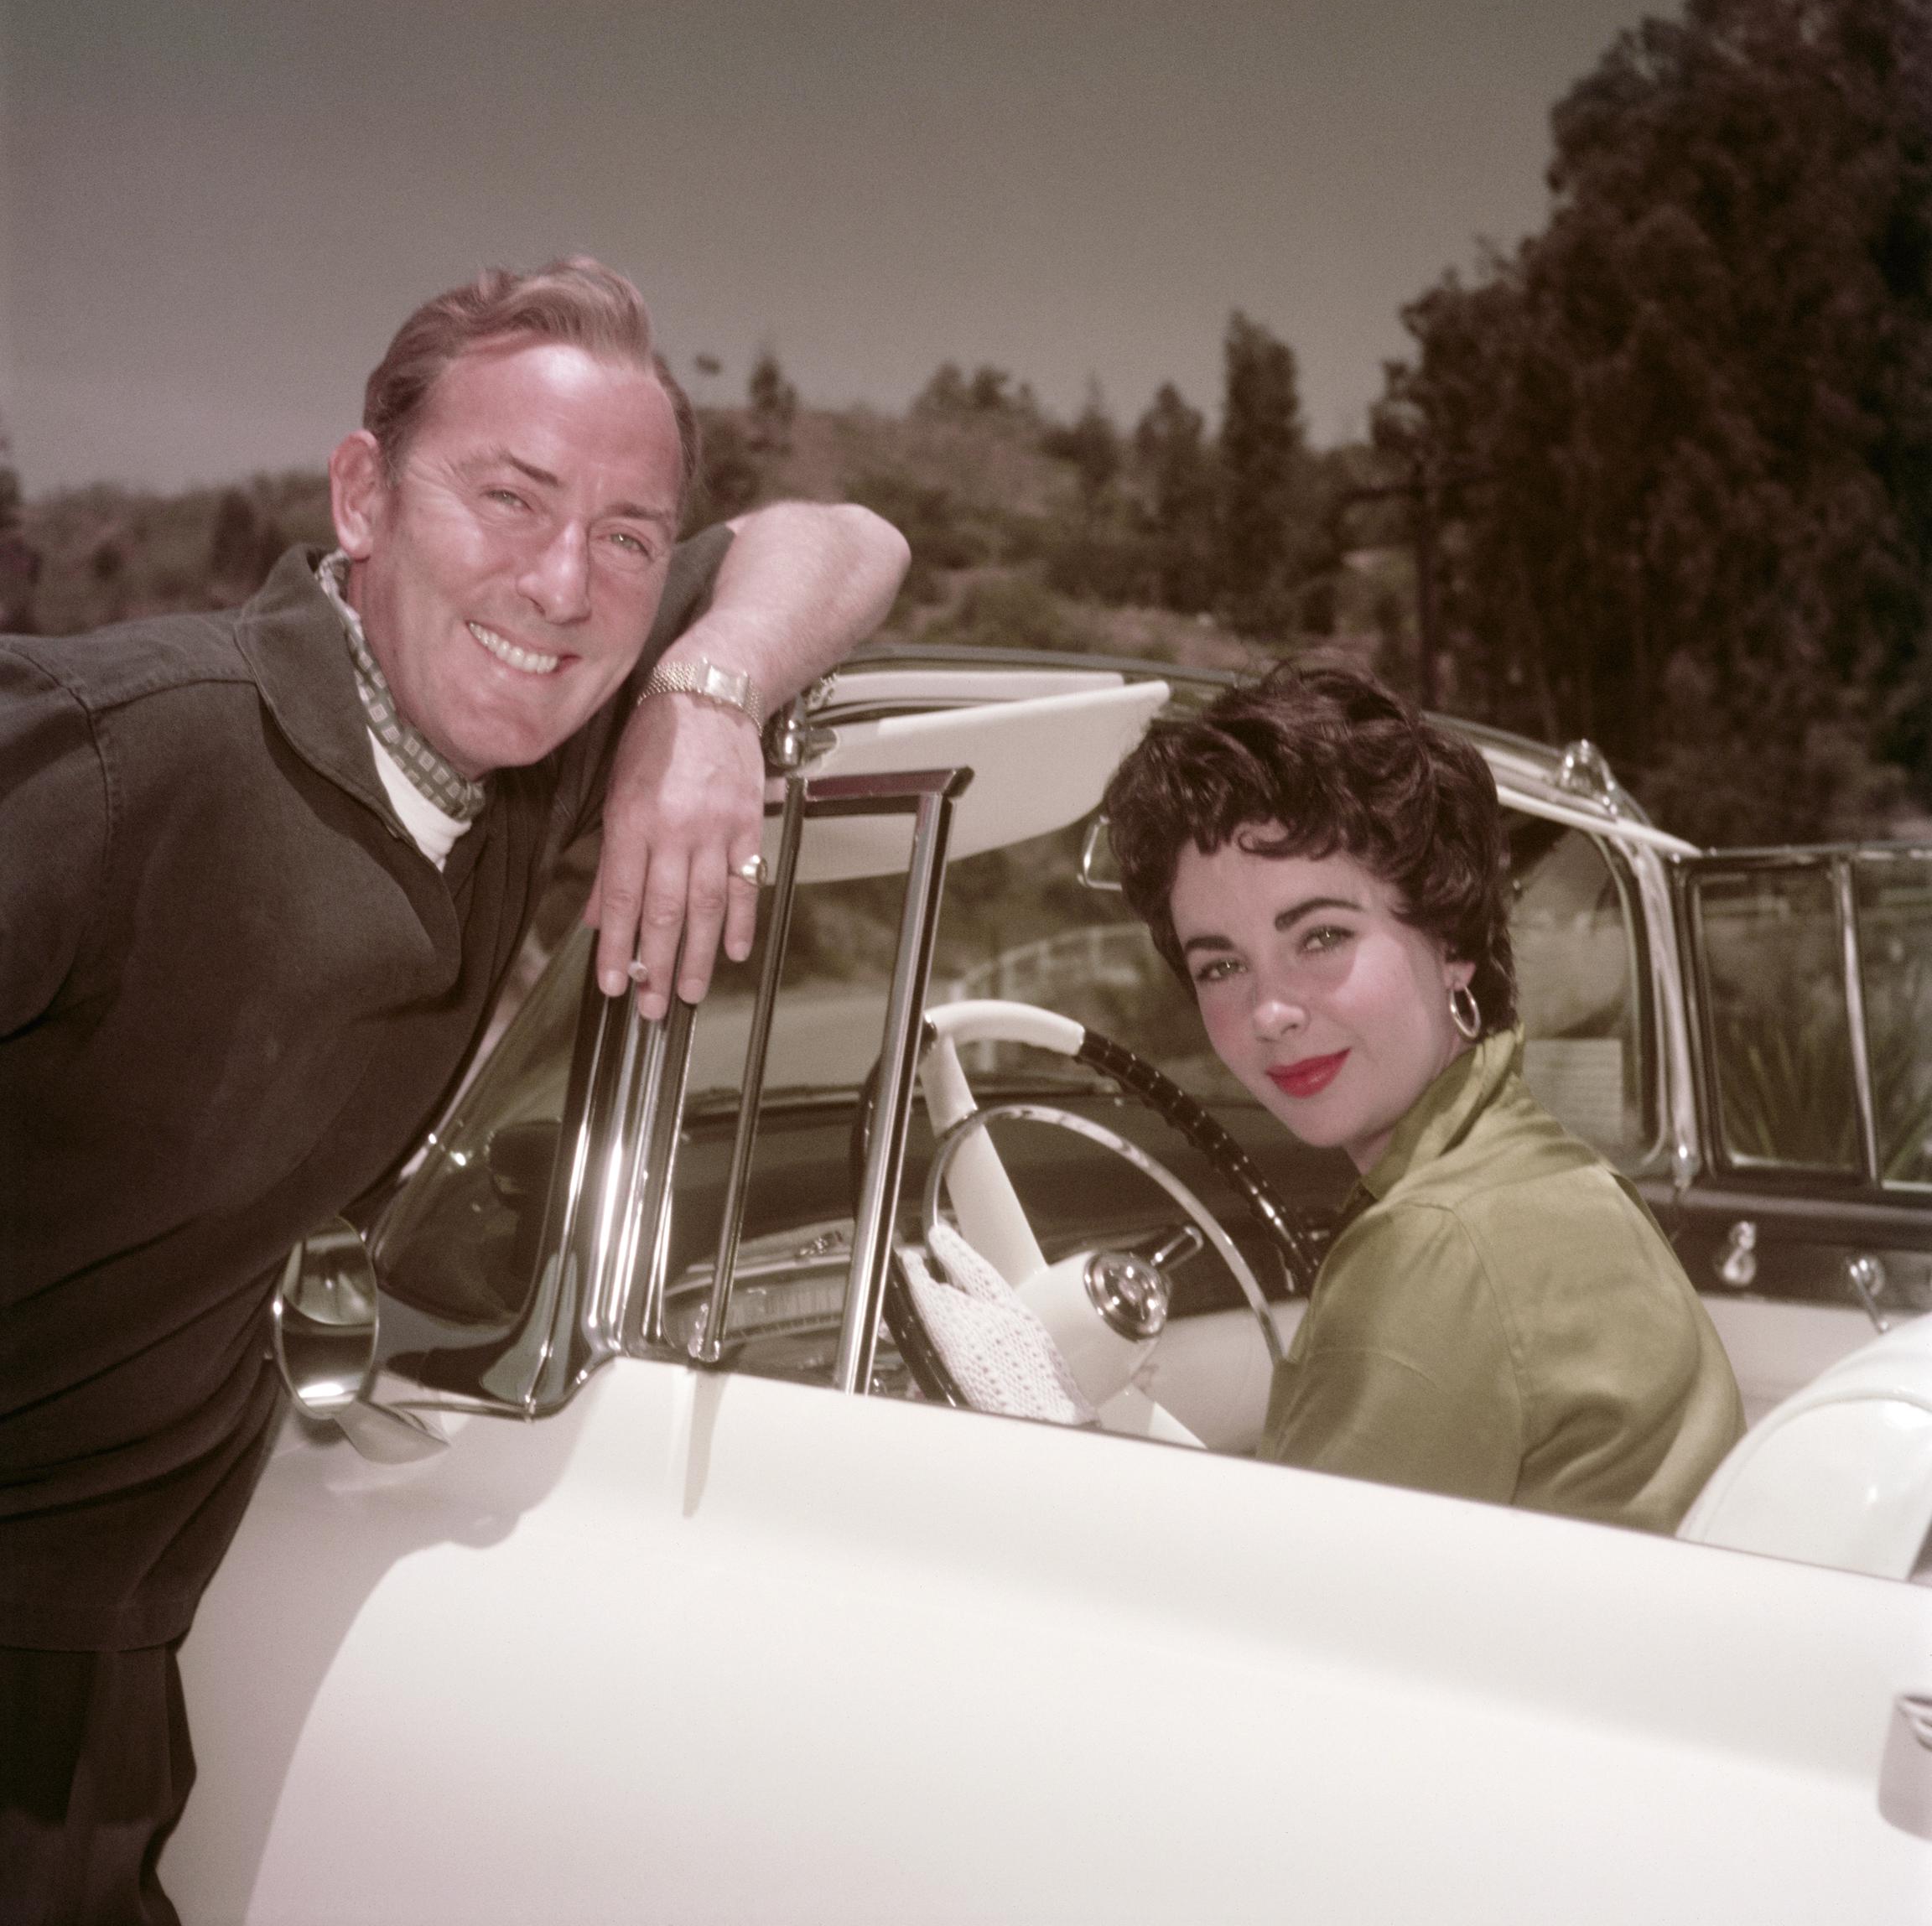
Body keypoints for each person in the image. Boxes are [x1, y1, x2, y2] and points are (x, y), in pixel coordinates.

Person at [0, 257, 907, 1923]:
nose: (566, 583)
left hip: (96, 1683)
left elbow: (845, 542)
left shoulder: (514, 759)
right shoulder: (124, 753)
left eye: (630, 537)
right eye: (509, 498)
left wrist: (708, 700)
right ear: (365, 497)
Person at [1102, 662, 1744, 1531]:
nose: (1271, 1011)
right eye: (1221, 964)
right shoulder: (1548, 1177)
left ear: (1450, 937)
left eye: (1321, 935)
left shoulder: (1437, 1243)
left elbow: (1287, 1620)